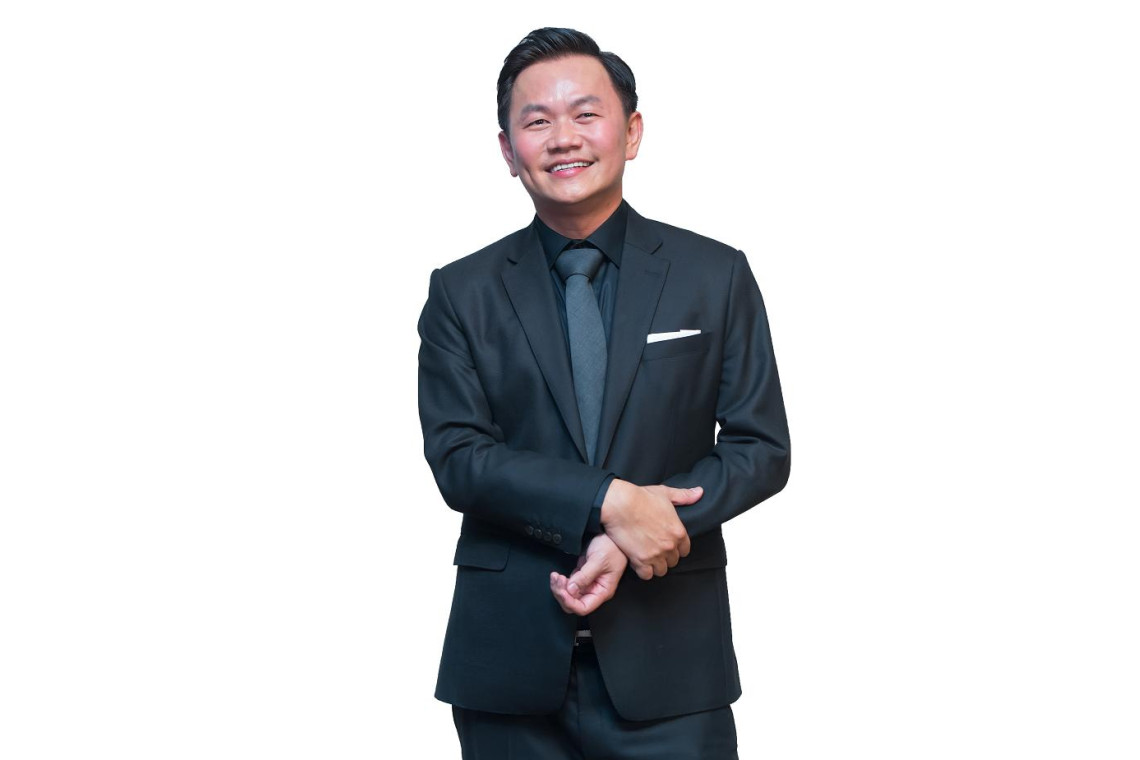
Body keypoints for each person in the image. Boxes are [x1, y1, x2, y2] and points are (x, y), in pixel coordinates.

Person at [417, 27, 791, 759]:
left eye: (586, 114)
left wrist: (634, 531)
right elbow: (460, 458)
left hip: (672, 660)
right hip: (509, 666)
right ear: (508, 151)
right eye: (537, 121)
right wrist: (609, 499)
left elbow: (760, 448)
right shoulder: (461, 292)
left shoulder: (714, 275)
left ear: (632, 131)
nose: (564, 138)